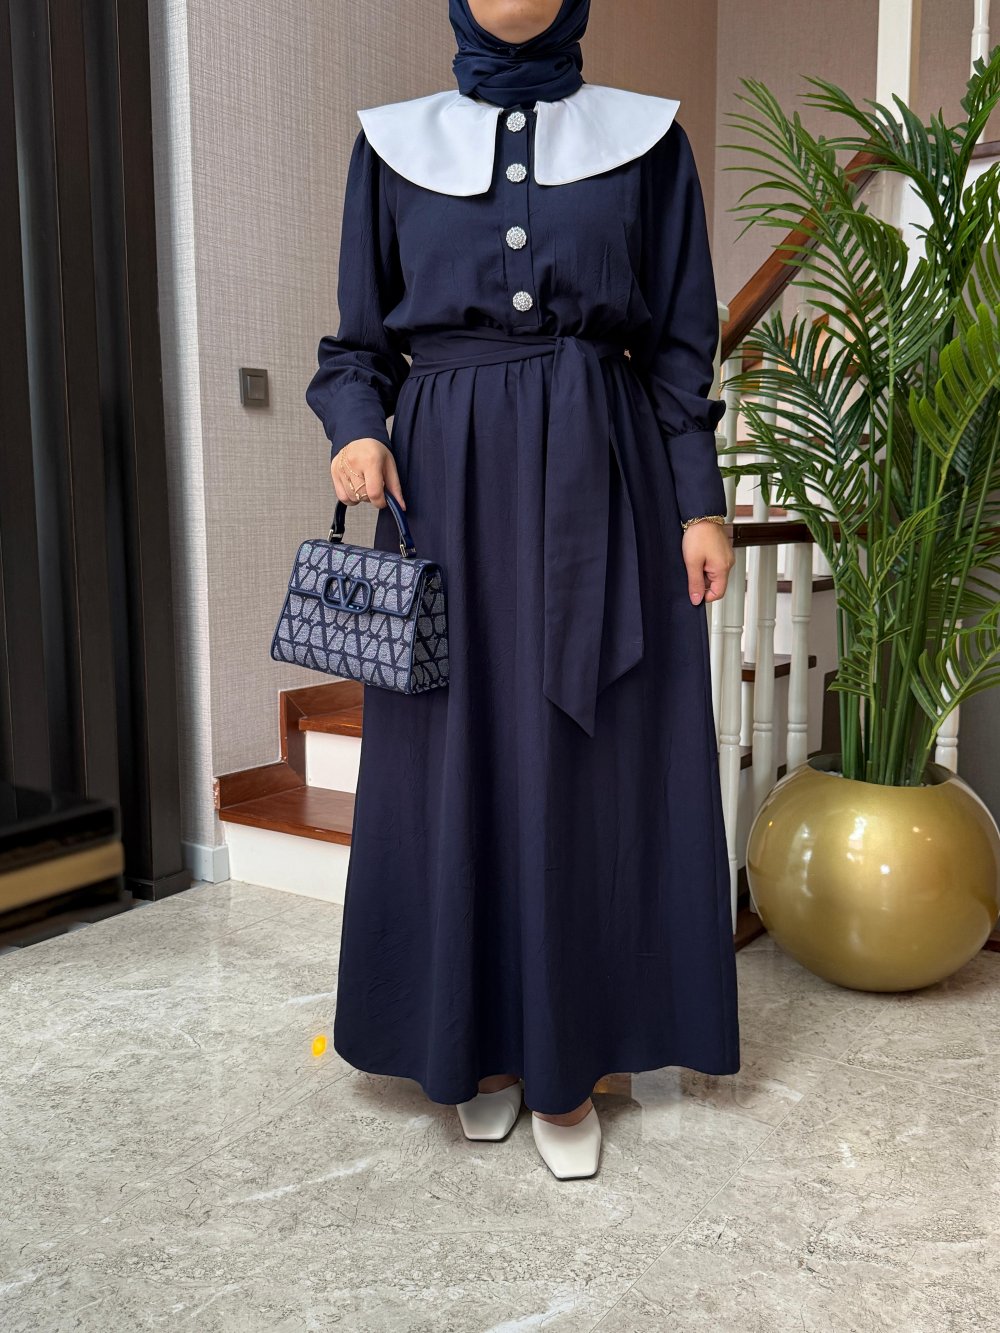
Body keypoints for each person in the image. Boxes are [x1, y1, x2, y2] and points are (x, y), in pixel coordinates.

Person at [305, 0, 740, 1181]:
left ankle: (572, 1059)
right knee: (455, 767)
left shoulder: (647, 140)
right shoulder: (389, 144)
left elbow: (679, 347)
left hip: (606, 477)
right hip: (444, 492)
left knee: (590, 768)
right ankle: (475, 1049)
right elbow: (356, 348)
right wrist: (356, 428)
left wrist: (699, 504)